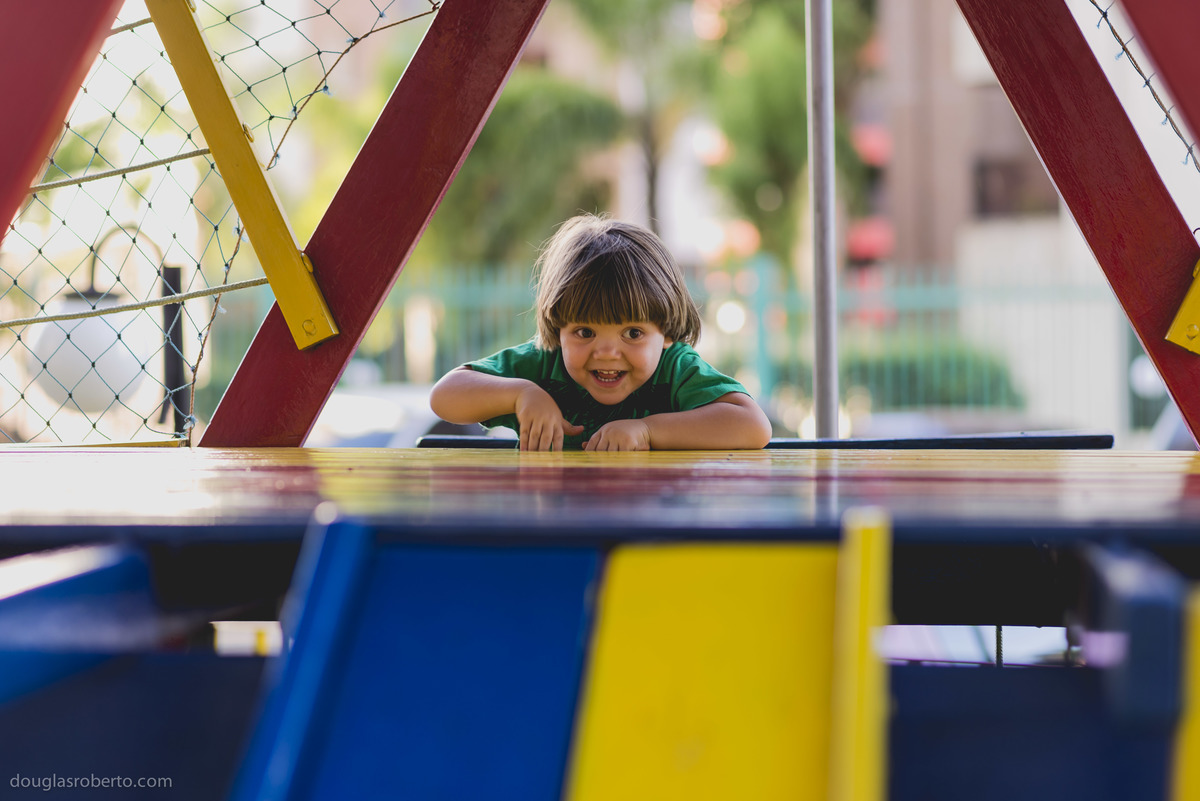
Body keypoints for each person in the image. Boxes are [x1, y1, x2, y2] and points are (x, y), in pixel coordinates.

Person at [429, 214, 773, 451]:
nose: (607, 352)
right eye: (584, 331)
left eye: (633, 333)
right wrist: (521, 395)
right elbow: (444, 396)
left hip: (652, 532)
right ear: (557, 328)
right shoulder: (543, 367)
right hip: (552, 528)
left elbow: (752, 426)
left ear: (666, 332)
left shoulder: (674, 369)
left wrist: (648, 431)